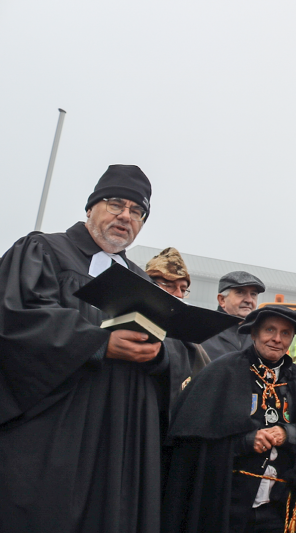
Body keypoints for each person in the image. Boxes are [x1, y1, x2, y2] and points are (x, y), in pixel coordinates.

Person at [0, 165, 167, 533]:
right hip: (53, 432)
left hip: (119, 440)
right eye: (115, 204)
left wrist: (160, 355)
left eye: (137, 212)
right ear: (91, 207)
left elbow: (170, 349)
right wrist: (99, 342)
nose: (125, 216)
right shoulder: (44, 250)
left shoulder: (142, 282)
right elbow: (15, 317)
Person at [162, 305, 296, 533]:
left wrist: (288, 434)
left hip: (281, 512)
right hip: (229, 508)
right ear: (254, 334)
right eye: (269, 330)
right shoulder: (222, 372)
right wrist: (245, 441)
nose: (277, 339)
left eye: (285, 333)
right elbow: (193, 444)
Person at [144, 247, 211, 406]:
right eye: (169, 285)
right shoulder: (130, 323)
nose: (179, 295)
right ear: (149, 284)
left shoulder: (190, 336)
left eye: (183, 289)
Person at [201, 270, 266, 361]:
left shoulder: (260, 334)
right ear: (222, 300)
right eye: (240, 292)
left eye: (253, 294)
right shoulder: (202, 330)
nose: (249, 300)